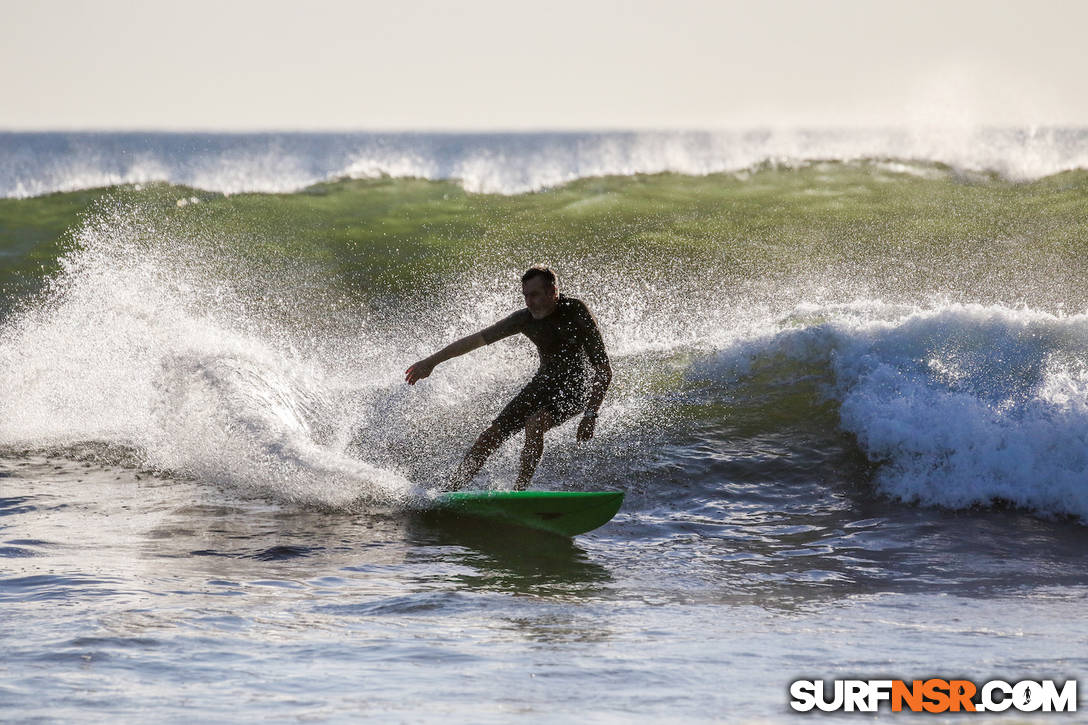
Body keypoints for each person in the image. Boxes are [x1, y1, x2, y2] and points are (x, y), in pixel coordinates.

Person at [405, 266, 612, 490]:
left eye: (534, 295)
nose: (529, 302)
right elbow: (475, 340)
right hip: (542, 385)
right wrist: (431, 362)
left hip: (576, 389)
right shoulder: (525, 319)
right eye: (525, 296)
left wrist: (591, 414)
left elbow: (603, 369)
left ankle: (519, 491)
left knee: (535, 423)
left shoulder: (575, 311)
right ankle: (450, 491)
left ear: (553, 291)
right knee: (489, 437)